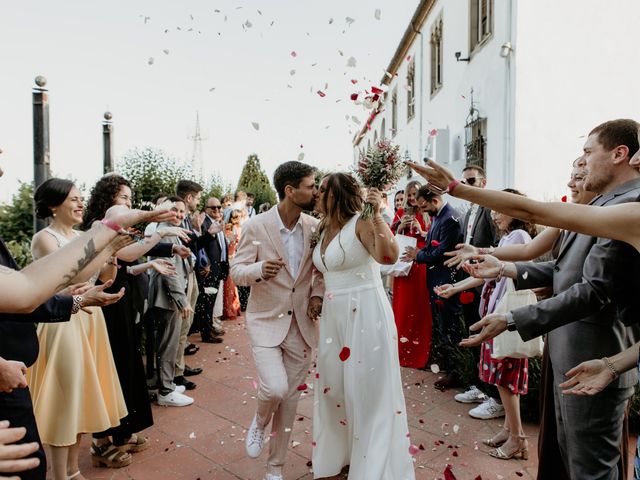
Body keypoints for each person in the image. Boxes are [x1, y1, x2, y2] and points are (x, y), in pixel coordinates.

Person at [407, 119, 640, 480]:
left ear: (619, 154)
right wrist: (501, 268)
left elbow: (592, 289)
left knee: (591, 470)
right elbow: (562, 273)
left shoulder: (629, 206)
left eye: (587, 153)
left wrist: (457, 188)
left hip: (593, 350)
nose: (580, 164)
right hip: (577, 355)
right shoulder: (607, 203)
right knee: (570, 461)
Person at [311, 173, 415, 479]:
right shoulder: (321, 227)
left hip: (366, 310)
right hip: (333, 315)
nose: (316, 195)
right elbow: (321, 271)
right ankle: (340, 455)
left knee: (368, 389)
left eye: (322, 190)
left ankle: (373, 466)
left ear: (336, 195)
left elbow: (389, 256)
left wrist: (378, 214)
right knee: (334, 388)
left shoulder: (362, 220)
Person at [28, 178, 130, 479]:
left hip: (89, 318)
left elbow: (102, 276)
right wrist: (104, 246)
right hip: (62, 324)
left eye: (80, 198)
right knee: (64, 401)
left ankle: (73, 470)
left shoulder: (82, 235)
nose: (79, 203)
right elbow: (69, 278)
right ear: (52, 205)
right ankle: (59, 474)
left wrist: (110, 254)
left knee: (82, 397)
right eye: (73, 199)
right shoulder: (44, 238)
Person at [81, 174, 186, 461]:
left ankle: (123, 431)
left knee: (126, 365)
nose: (129, 202)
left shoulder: (117, 229)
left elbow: (128, 262)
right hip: (103, 306)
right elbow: (128, 255)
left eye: (130, 197)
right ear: (107, 200)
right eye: (124, 197)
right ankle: (101, 440)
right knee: (110, 367)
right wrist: (161, 234)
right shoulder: (99, 228)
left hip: (122, 303)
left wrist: (154, 255)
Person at [230, 161, 324, 480]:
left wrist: (317, 296)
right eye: (311, 185)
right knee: (274, 390)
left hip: (302, 325)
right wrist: (259, 270)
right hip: (266, 321)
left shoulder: (315, 227)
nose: (316, 190)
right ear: (290, 190)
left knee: (291, 400)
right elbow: (236, 271)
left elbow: (320, 271)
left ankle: (275, 468)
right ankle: (259, 421)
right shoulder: (256, 225)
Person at [435, 190, 537, 461]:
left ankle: (518, 439)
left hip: (506, 319)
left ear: (515, 211)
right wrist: (455, 287)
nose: (493, 214)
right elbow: (486, 276)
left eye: (499, 209)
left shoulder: (519, 238)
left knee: (506, 380)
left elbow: (511, 275)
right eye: (492, 209)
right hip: (497, 316)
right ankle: (509, 430)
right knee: (503, 379)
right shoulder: (506, 238)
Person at [402, 186, 464, 389]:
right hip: (435, 279)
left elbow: (442, 252)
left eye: (424, 206)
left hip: (447, 280)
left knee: (450, 326)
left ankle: (456, 372)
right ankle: (448, 367)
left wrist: (418, 255)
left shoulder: (450, 219)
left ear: (435, 200)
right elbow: (432, 245)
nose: (422, 211)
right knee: (442, 325)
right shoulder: (438, 216)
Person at [455, 165, 502, 417]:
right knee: (472, 331)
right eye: (463, 181)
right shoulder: (467, 211)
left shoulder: (489, 210)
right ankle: (479, 385)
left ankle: (492, 394)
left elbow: (498, 244)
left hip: (487, 281)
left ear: (483, 183)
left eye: (471, 181)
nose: (467, 185)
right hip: (468, 279)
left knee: (485, 336)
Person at [390, 180, 432, 369]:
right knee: (403, 308)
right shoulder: (400, 213)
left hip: (420, 264)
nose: (412, 198)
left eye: (415, 194)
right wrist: (400, 227)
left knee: (421, 308)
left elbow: (434, 239)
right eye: (409, 194)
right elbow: (390, 237)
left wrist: (421, 230)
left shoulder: (428, 213)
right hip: (403, 263)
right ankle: (400, 352)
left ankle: (420, 354)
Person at [174, 180, 204, 383]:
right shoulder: (178, 220)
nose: (198, 202)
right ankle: (176, 373)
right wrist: (202, 233)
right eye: (198, 198)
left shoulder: (187, 220)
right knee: (180, 327)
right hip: (180, 277)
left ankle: (180, 366)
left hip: (190, 272)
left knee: (186, 326)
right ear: (189, 197)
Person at [193, 196, 228, 344]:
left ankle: (209, 327)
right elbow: (199, 246)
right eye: (213, 208)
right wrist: (204, 264)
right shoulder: (203, 224)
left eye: (219, 207)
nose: (217, 210)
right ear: (206, 209)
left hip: (219, 267)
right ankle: (206, 333)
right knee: (207, 302)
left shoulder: (218, 223)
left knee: (212, 301)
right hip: (208, 269)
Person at [223, 210, 243, 319]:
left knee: (232, 286)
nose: (237, 220)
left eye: (238, 217)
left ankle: (233, 308)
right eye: (235, 218)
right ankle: (228, 309)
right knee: (229, 286)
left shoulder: (239, 229)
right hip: (229, 259)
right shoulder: (227, 230)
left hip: (235, 258)